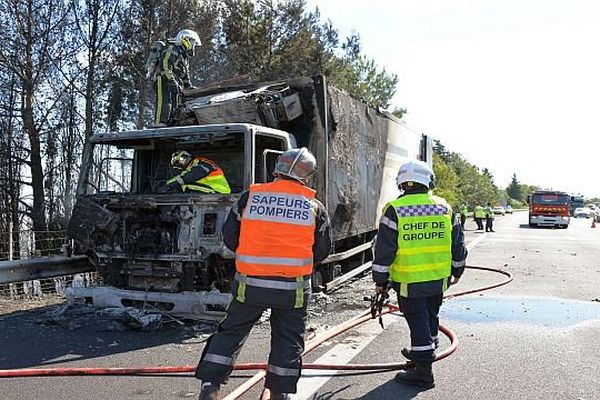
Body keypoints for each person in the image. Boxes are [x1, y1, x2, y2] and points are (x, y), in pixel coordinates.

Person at [195, 148, 332, 400]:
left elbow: (229, 236)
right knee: (288, 340)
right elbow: (322, 250)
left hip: (250, 285)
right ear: (307, 175)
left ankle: (210, 387)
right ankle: (279, 393)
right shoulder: (314, 206)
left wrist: (253, 256)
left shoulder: (251, 197)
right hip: (293, 291)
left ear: (277, 168)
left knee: (231, 332)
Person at [372, 160, 468, 388]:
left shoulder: (395, 209)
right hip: (438, 278)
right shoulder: (444, 207)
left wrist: (380, 281)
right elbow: (458, 244)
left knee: (417, 321)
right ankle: (425, 349)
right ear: (429, 181)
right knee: (430, 315)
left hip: (409, 280)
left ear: (401, 183)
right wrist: (458, 269)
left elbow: (384, 250)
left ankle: (423, 372)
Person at [153, 29, 201, 126]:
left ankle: (170, 123)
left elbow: (184, 73)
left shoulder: (183, 55)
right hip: (162, 79)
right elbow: (165, 65)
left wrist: (188, 86)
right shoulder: (172, 47)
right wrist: (171, 80)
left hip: (174, 81)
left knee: (175, 104)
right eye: (192, 43)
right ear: (185, 39)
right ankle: (159, 123)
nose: (193, 46)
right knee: (164, 101)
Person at [164, 150, 231, 194]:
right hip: (213, 191)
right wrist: (167, 184)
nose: (178, 167)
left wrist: (169, 185)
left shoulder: (201, 163)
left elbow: (190, 176)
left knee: (186, 186)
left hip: (220, 192)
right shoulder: (190, 167)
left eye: (178, 162)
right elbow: (182, 177)